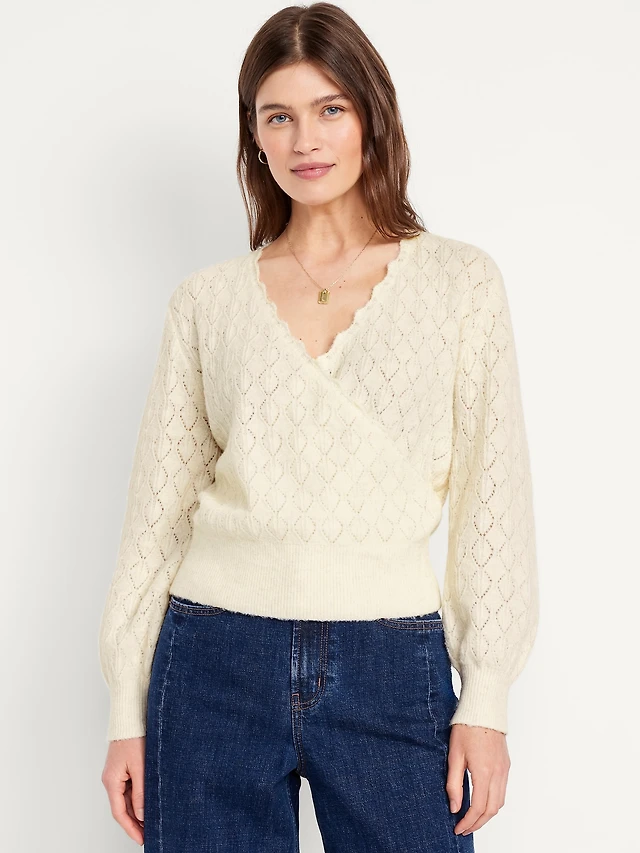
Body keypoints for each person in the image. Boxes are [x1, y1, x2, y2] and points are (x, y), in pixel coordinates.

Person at [98, 3, 539, 850]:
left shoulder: (462, 284)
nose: (305, 139)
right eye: (279, 116)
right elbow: (156, 521)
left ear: (372, 114)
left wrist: (485, 698)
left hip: (393, 665)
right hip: (212, 658)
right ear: (255, 136)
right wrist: (127, 709)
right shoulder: (207, 302)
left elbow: (496, 499)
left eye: (329, 108)